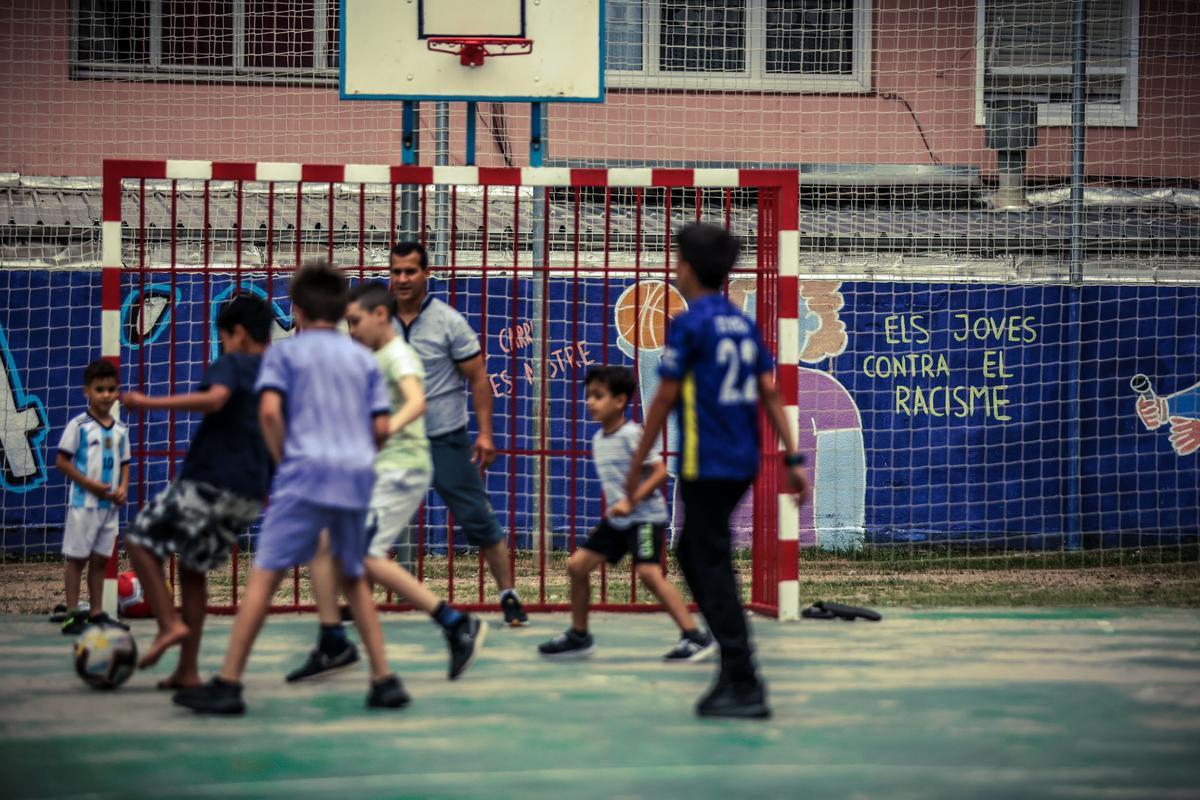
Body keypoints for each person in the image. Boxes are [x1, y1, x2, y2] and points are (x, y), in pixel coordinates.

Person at [174, 261, 408, 715]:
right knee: (354, 577)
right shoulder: (363, 358)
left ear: (295, 309)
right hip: (353, 475)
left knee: (264, 575)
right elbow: (380, 426)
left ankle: (228, 682)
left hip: (303, 475)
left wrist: (285, 460)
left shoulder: (284, 355)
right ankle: (384, 679)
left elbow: (268, 414)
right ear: (344, 309)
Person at [625, 222, 810, 720]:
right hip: (742, 459)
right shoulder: (739, 321)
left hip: (705, 460)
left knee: (703, 558)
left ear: (689, 266)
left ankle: (743, 674)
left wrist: (641, 455)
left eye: (678, 259)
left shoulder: (690, 323)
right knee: (700, 553)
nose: (675, 268)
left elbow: (665, 395)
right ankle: (733, 671)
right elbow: (770, 392)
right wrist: (793, 459)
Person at [287, 281, 487, 682]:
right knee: (324, 544)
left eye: (356, 321)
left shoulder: (399, 355)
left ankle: (455, 623)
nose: (352, 329)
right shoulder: (375, 357)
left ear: (381, 315)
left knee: (363, 558)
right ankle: (332, 640)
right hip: (379, 469)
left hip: (400, 471)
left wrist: (388, 428)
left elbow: (417, 401)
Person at [120, 295, 274, 689]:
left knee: (138, 540)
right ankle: (187, 671)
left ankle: (169, 624)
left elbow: (215, 398)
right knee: (192, 570)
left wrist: (148, 401)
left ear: (237, 334)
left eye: (223, 337)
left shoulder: (234, 362)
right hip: (249, 493)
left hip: (211, 481)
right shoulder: (276, 370)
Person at [388, 242, 527, 626]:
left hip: (444, 437)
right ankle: (361, 599)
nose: (402, 279)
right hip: (395, 442)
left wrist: (485, 433)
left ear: (426, 274)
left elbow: (478, 377)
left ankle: (508, 594)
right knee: (367, 519)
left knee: (478, 518)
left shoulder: (447, 321)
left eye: (410, 272)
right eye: (396, 271)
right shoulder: (378, 321)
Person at [537, 365, 715, 662]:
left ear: (620, 401)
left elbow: (659, 473)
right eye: (588, 396)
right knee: (577, 567)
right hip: (619, 520)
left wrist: (631, 501)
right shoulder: (598, 440)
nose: (590, 402)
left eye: (598, 396)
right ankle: (579, 636)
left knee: (648, 573)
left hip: (645, 517)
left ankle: (695, 636)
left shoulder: (632, 434)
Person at [54, 359, 131, 634]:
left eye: (111, 389)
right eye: (100, 390)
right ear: (87, 391)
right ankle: (73, 615)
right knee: (77, 560)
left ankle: (97, 612)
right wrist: (90, 484)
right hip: (84, 505)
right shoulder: (79, 425)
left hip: (109, 508)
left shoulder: (121, 429)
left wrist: (122, 487)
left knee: (100, 561)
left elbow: (125, 463)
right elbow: (62, 462)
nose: (106, 395)